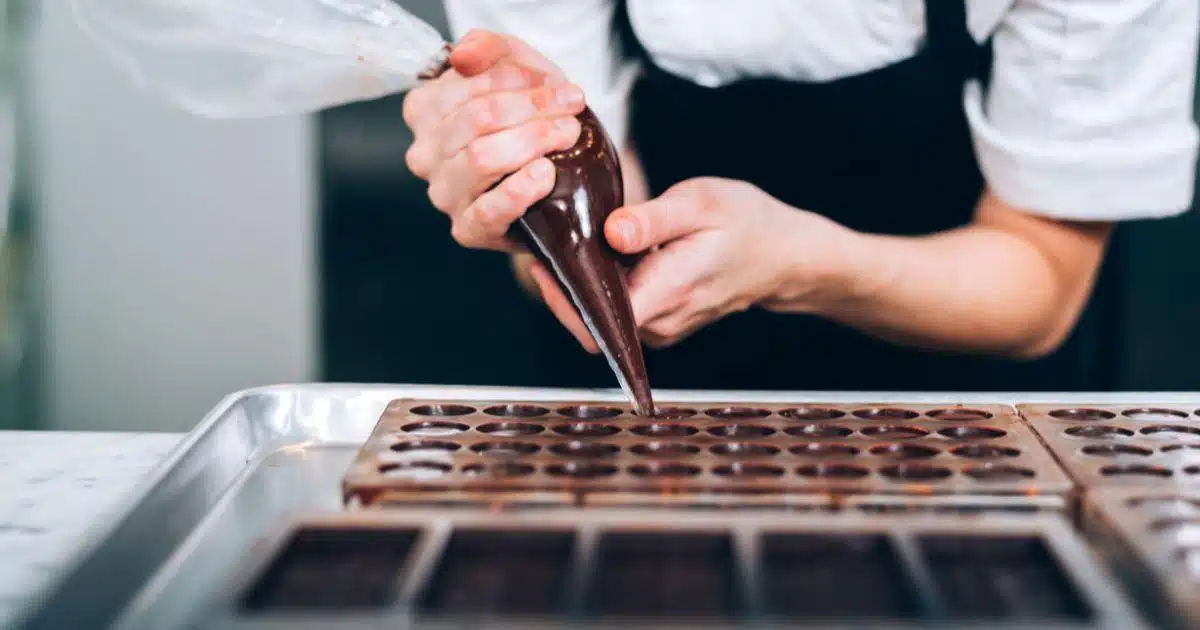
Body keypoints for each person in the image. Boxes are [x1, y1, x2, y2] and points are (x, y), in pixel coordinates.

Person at [401, 0, 1199, 392]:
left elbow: (1044, 278)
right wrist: (518, 178)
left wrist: (798, 264)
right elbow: (583, 179)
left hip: (967, 419)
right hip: (645, 398)